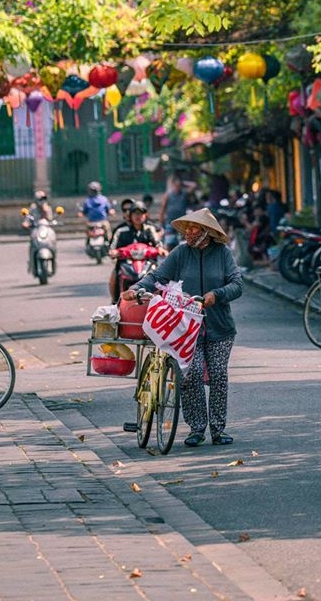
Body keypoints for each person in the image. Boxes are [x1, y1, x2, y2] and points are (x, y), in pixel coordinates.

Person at [122, 207, 242, 447]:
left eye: (194, 228)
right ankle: (196, 428)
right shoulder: (180, 253)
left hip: (219, 327)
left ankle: (218, 429)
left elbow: (237, 284)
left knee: (218, 376)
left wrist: (216, 295)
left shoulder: (223, 254)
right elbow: (157, 278)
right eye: (187, 228)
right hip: (186, 328)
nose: (188, 232)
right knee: (192, 374)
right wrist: (136, 288)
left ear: (206, 232)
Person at [108, 202, 165, 303]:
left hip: (148, 263)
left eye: (141, 213)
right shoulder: (121, 230)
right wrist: (113, 252)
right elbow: (112, 247)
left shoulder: (150, 229)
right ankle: (115, 301)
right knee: (114, 276)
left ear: (145, 215)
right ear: (130, 215)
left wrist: (161, 250)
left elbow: (158, 244)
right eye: (136, 213)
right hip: (126, 263)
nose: (138, 216)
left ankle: (162, 300)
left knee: (161, 276)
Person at [159, 174, 189, 249]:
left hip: (182, 222)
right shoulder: (168, 195)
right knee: (169, 243)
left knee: (183, 243)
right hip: (170, 222)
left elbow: (194, 186)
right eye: (176, 185)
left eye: (179, 185)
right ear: (173, 185)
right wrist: (161, 219)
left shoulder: (184, 193)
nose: (177, 187)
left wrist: (184, 183)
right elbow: (163, 208)